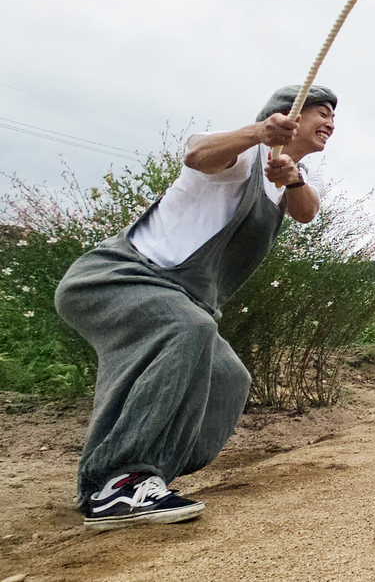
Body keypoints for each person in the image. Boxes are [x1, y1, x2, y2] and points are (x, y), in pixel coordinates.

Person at [54, 85, 336, 530]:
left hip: (181, 299)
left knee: (228, 378)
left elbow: (307, 212)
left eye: (333, 118)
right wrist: (259, 133)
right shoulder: (239, 154)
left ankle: (144, 478)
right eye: (321, 113)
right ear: (290, 115)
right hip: (119, 277)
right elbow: (198, 154)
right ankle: (119, 479)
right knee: (187, 330)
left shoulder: (284, 179)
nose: (331, 124)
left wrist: (294, 178)